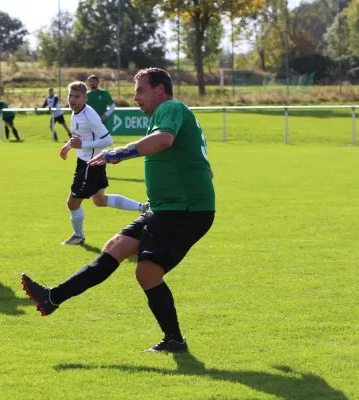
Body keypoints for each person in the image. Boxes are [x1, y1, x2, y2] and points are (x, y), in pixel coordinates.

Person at [21, 68, 215, 353]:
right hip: (168, 208)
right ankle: (51, 299)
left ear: (160, 90)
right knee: (118, 248)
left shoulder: (170, 108)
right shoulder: (172, 115)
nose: (135, 98)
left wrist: (119, 153)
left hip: (184, 210)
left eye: (140, 91)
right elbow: (204, 169)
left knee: (146, 272)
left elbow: (164, 141)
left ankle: (174, 339)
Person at [58, 81, 147, 245]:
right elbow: (81, 136)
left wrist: (82, 145)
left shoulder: (89, 116)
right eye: (70, 95)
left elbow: (108, 140)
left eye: (77, 96)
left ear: (85, 98)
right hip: (93, 162)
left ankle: (78, 236)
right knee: (100, 200)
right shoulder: (76, 112)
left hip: (89, 165)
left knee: (72, 202)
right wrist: (69, 145)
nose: (72, 99)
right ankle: (143, 208)